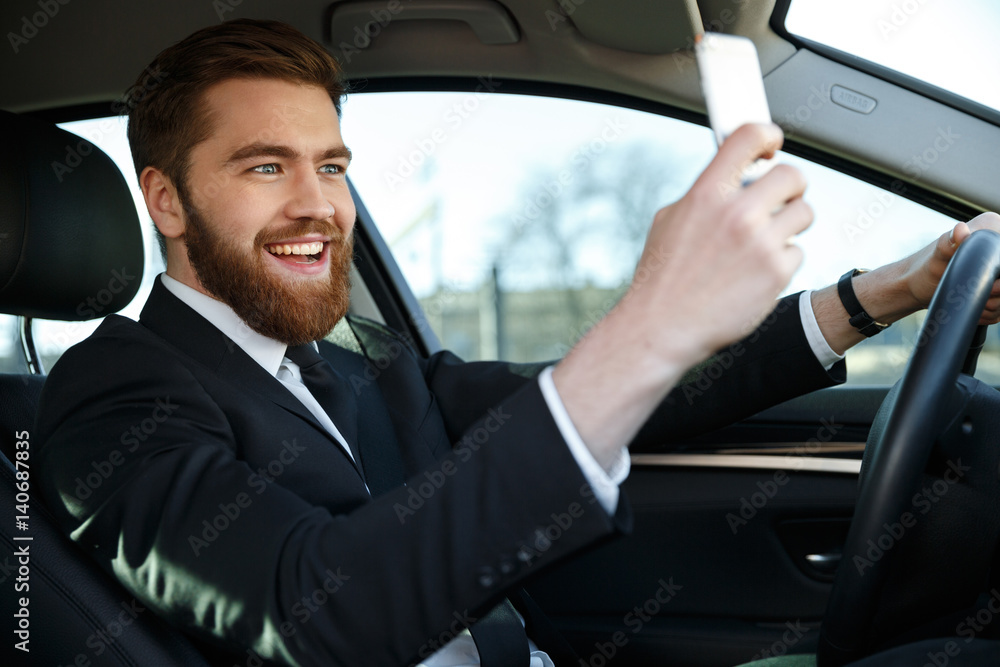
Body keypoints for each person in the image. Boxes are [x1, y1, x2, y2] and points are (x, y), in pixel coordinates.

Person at [35, 18, 1000, 667]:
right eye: (264, 166)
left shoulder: (358, 360)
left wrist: (886, 294)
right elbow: (312, 609)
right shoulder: (109, 397)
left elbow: (615, 395)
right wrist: (650, 317)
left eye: (331, 166)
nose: (317, 205)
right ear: (165, 199)